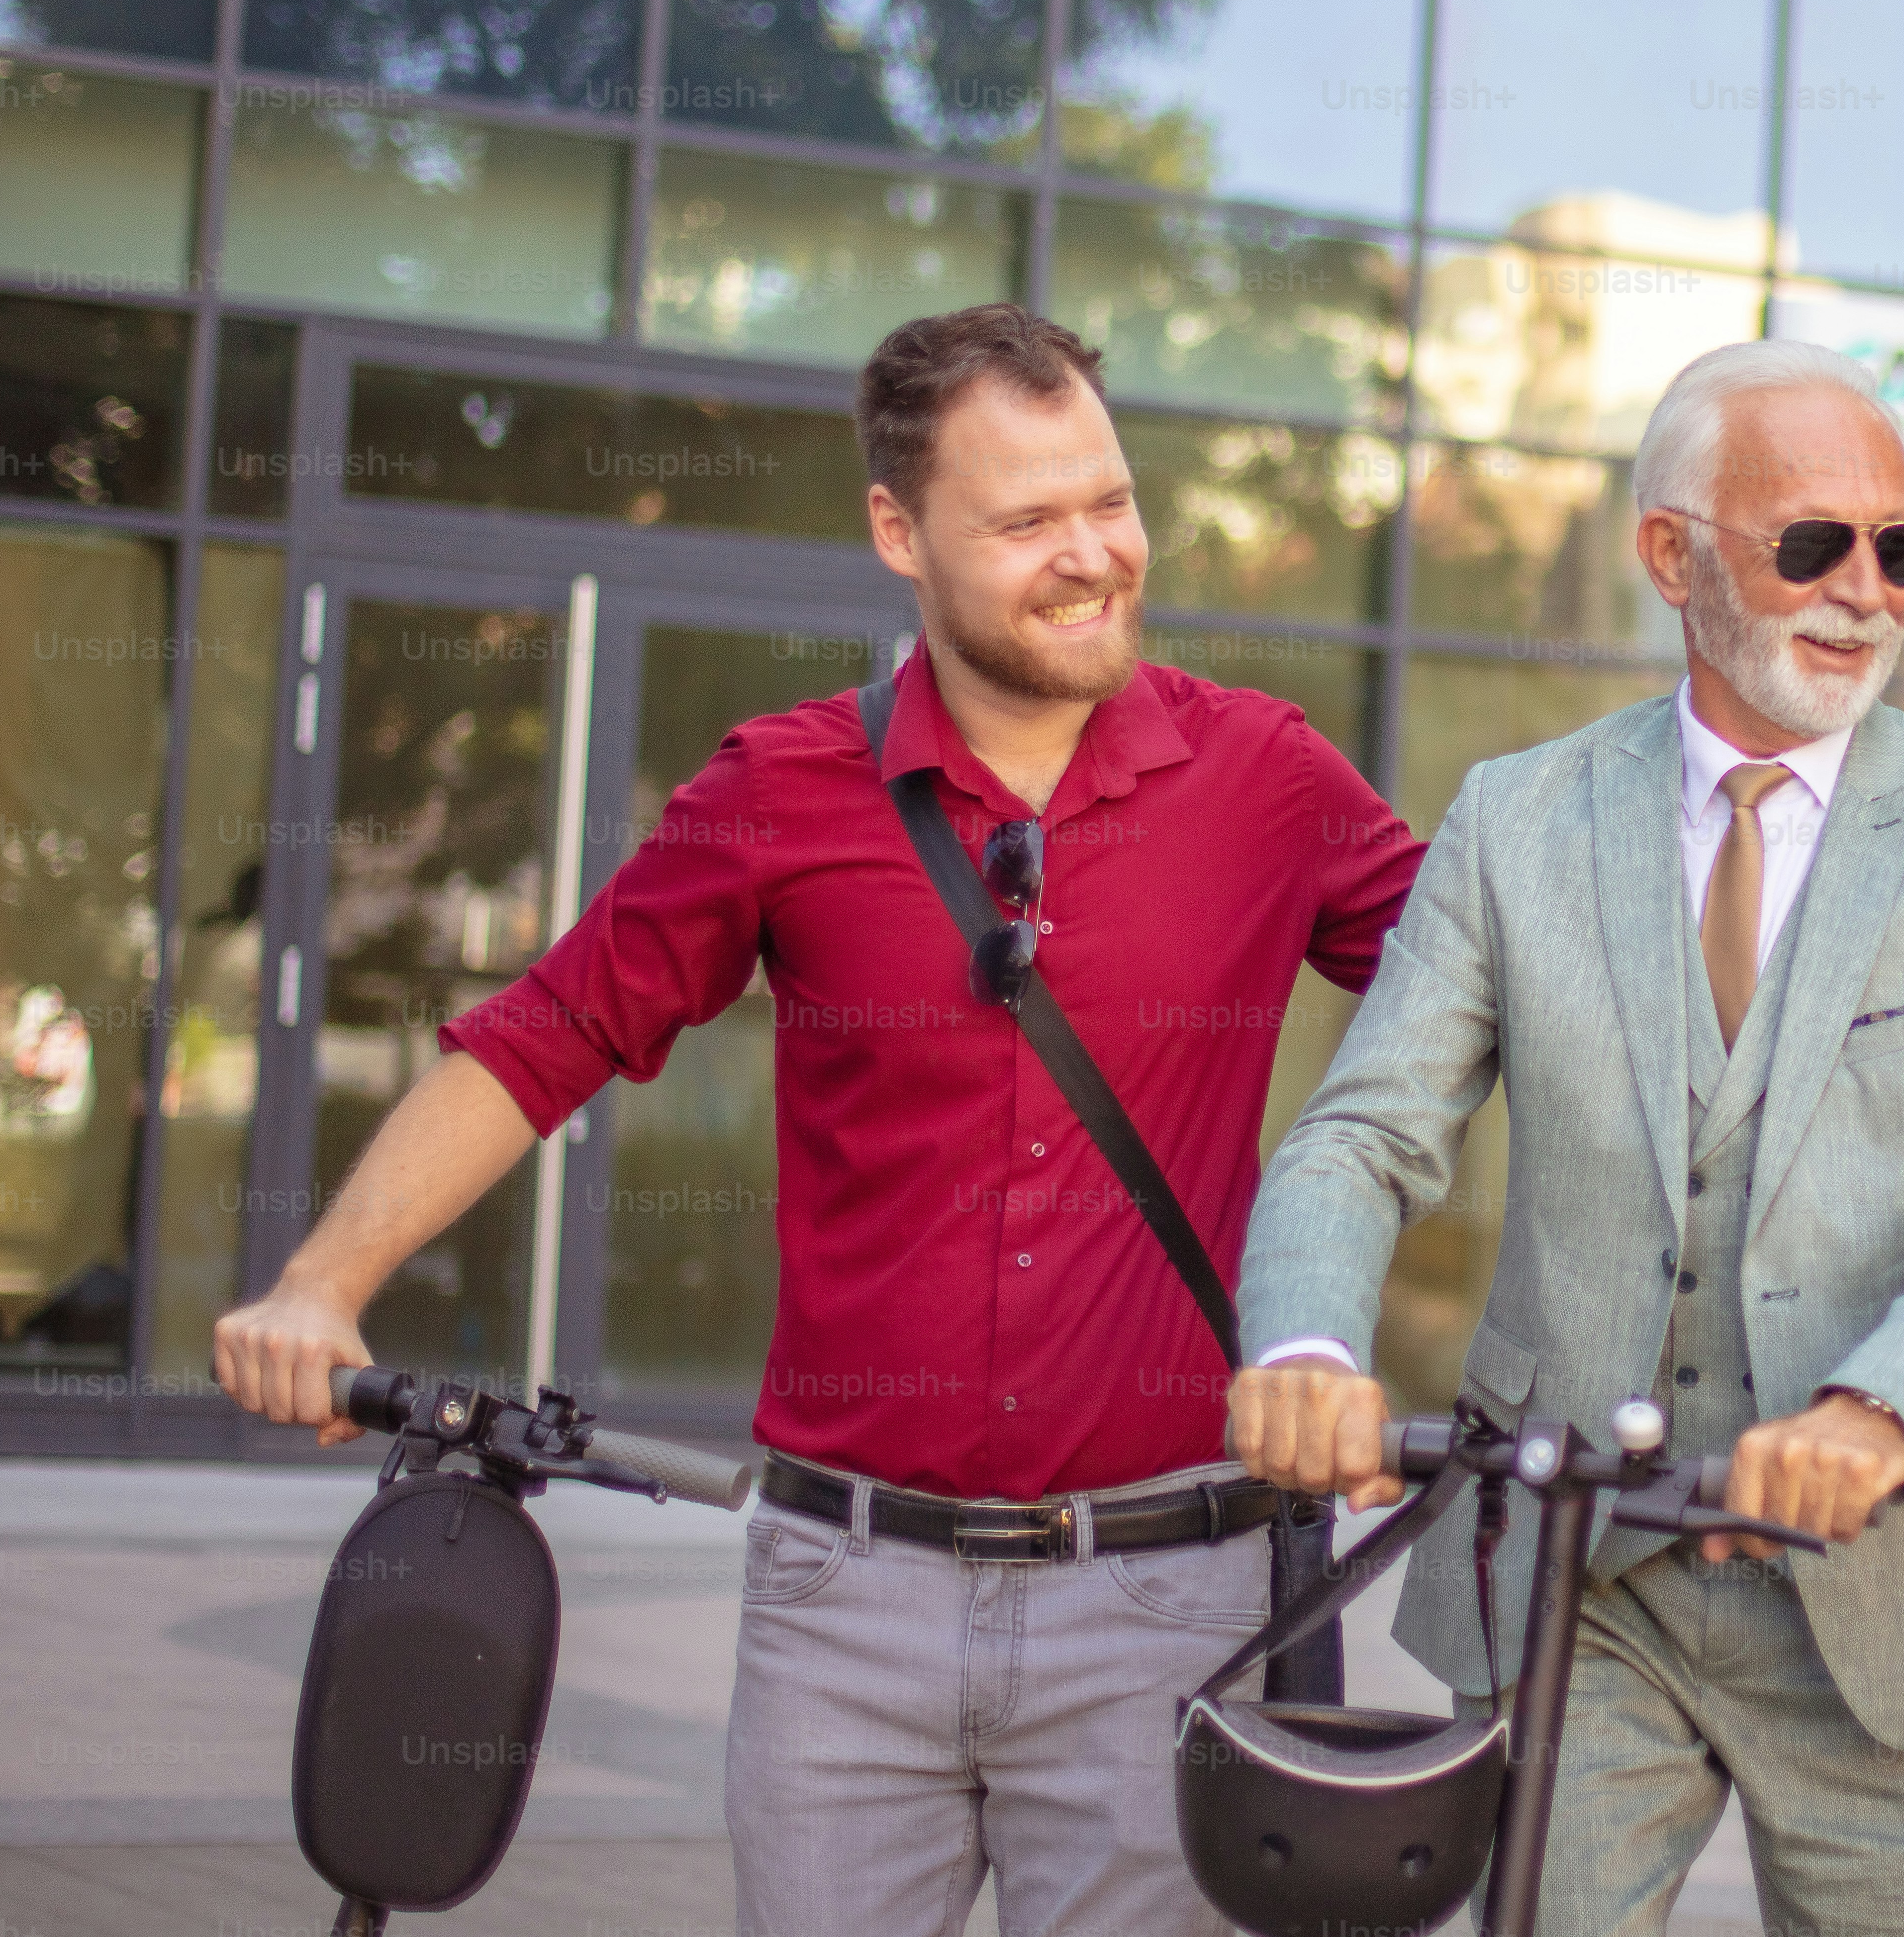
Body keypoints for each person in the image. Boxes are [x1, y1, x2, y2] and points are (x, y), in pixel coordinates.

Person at [210, 303, 1427, 1937]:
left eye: (1110, 500)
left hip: (1166, 1600)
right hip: (841, 1608)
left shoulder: (1267, 777)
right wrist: (323, 1281)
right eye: (1026, 521)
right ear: (896, 531)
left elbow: (1488, 1007)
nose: (1093, 556)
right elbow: (546, 1034)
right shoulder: (781, 790)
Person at [1227, 338, 1904, 1937]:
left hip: (1901, 1602)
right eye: (1812, 544)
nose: (1868, 590)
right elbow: (1359, 1136)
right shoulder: (1515, 819)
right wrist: (1304, 1340)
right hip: (1576, 1581)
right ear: (1671, 553)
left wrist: (1885, 1407)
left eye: (1900, 547)